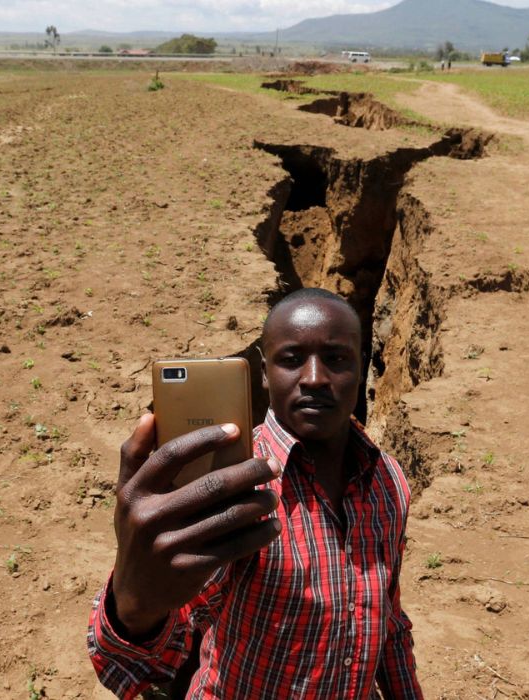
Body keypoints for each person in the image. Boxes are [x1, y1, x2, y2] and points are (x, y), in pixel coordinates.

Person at [87, 288, 423, 698]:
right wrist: (134, 607)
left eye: (335, 359)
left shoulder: (389, 482)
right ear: (263, 373)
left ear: (362, 365)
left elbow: (388, 620)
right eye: (292, 359)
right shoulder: (239, 485)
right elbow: (147, 654)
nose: (315, 378)